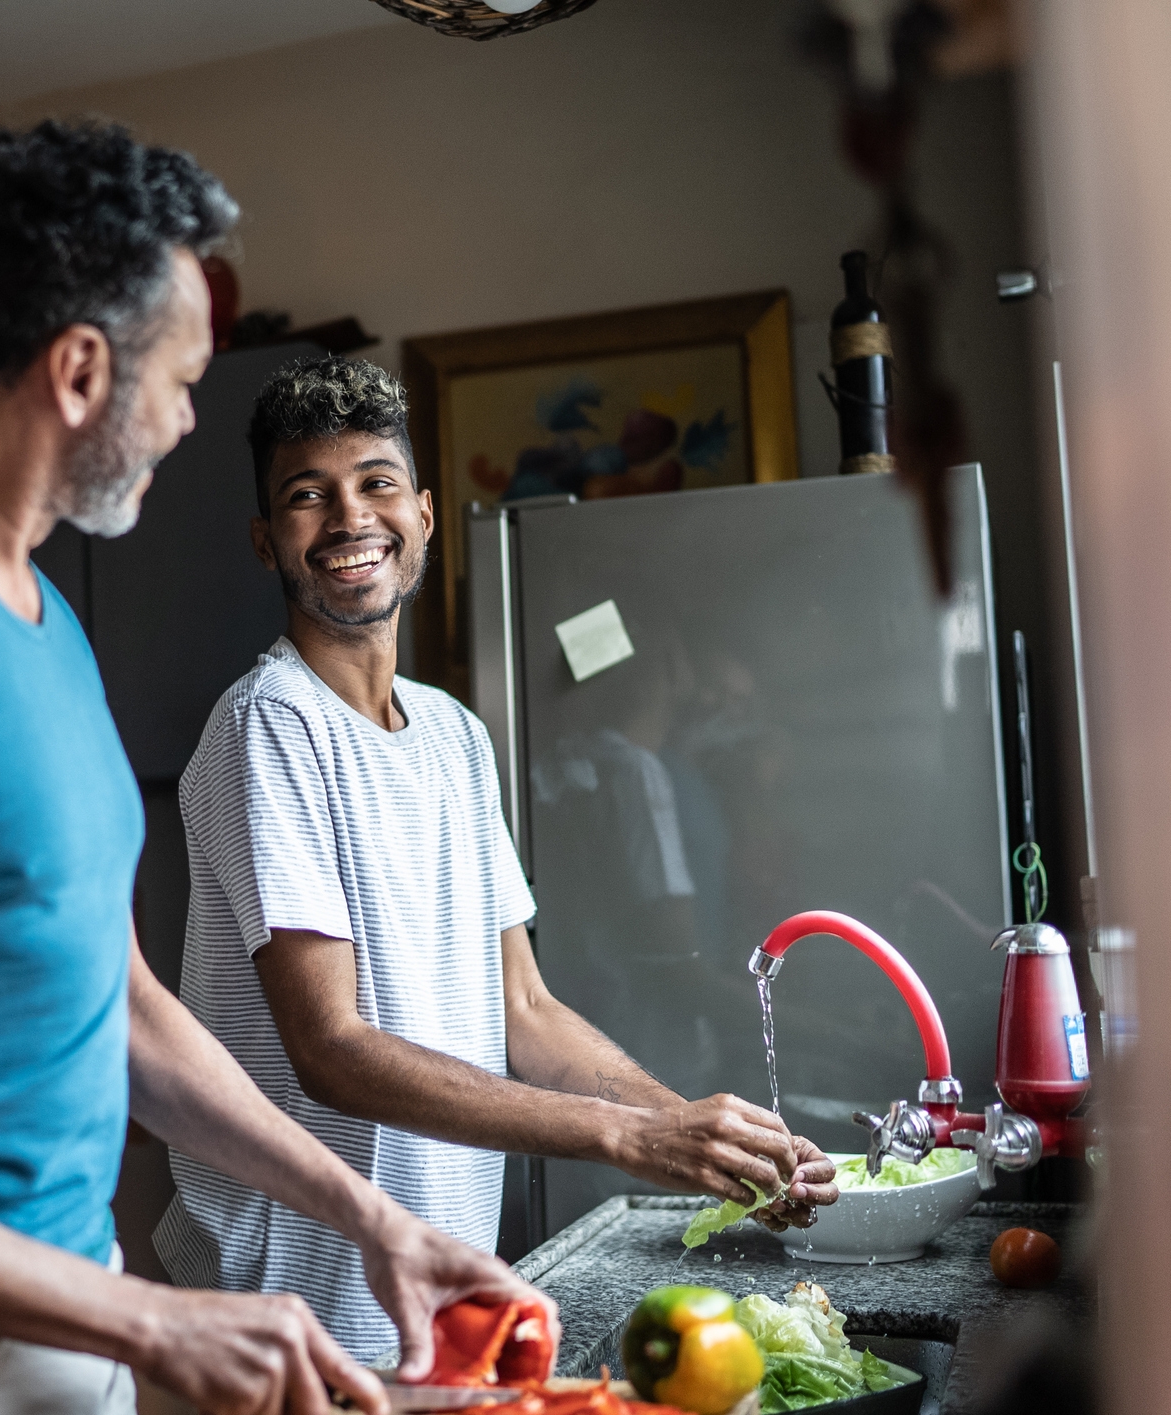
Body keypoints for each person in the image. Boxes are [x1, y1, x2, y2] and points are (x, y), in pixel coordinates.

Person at [0, 123, 534, 1415]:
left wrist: (371, 1219)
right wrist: (149, 1316)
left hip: (61, 1315)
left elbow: (120, 1006)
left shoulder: (39, 614)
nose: (188, 422)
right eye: (181, 379)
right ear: (79, 370)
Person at [154, 355, 838, 1358]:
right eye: (308, 495)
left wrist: (691, 1130)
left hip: (439, 1279)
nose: (350, 517)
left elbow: (522, 1006)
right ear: (268, 541)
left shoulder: (451, 734)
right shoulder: (268, 728)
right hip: (300, 1299)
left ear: (425, 514)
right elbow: (329, 1047)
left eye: (376, 482)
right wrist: (624, 1135)